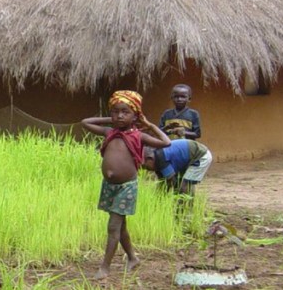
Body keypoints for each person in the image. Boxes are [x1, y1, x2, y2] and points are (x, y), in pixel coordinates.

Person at [81, 90, 171, 280]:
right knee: (121, 227)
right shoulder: (110, 132)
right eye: (115, 111)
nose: (119, 116)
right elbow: (85, 122)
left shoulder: (139, 135)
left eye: (125, 112)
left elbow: (166, 142)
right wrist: (112, 118)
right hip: (109, 186)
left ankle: (105, 267)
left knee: (113, 226)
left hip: (125, 187)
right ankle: (132, 258)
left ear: (136, 115)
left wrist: (149, 125)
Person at [143, 139, 212, 196]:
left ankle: (185, 210)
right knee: (180, 184)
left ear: (150, 158)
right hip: (188, 158)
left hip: (200, 156)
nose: (147, 170)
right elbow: (163, 181)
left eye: (145, 166)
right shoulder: (157, 160)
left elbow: (171, 181)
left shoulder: (160, 158)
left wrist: (160, 197)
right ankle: (184, 207)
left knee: (185, 186)